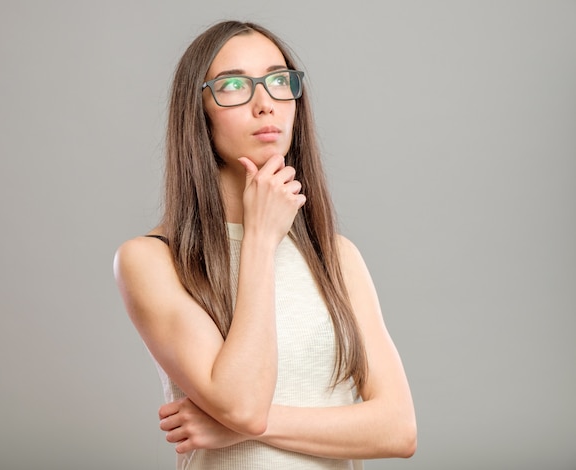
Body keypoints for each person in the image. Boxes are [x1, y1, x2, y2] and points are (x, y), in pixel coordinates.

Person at [113, 19, 416, 470]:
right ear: (198, 111)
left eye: (278, 81)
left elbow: (397, 429)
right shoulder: (152, 259)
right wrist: (258, 239)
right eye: (233, 85)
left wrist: (244, 426)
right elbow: (241, 403)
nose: (265, 104)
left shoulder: (336, 256)